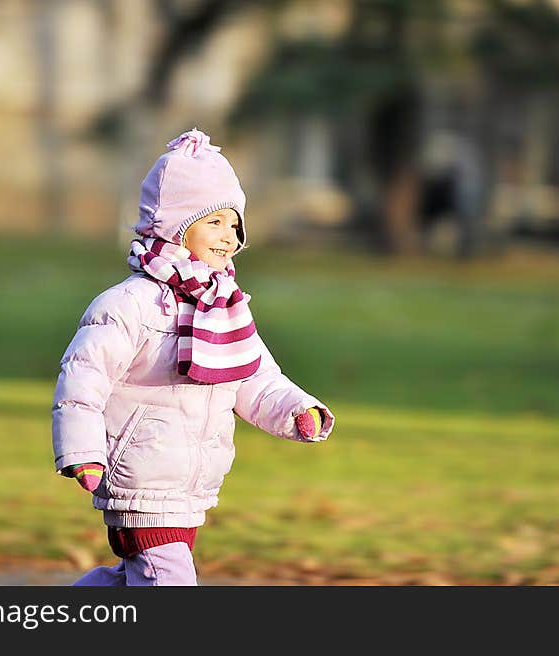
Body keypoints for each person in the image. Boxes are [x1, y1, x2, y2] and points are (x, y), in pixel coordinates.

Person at [51, 128, 335, 586]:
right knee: (169, 580)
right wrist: (82, 452)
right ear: (174, 225)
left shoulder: (224, 305)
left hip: (190, 484)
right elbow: (83, 380)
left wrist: (296, 409)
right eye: (215, 222)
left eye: (235, 224)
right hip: (140, 478)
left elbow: (255, 376)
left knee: (133, 580)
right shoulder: (131, 304)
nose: (230, 237)